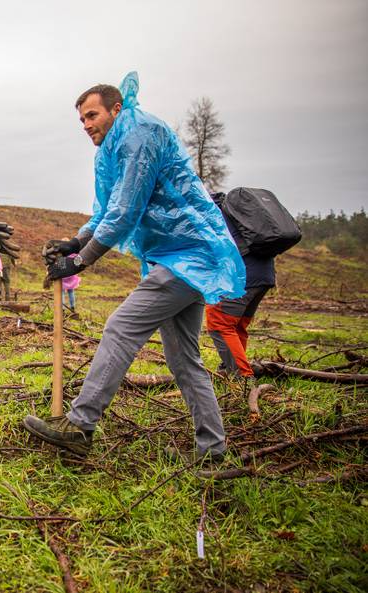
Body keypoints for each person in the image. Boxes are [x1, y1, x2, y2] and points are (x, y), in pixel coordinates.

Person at [22, 72, 245, 464]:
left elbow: (125, 212)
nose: (87, 125)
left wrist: (80, 260)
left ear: (116, 108)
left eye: (92, 115)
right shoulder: (115, 147)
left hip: (191, 254)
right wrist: (76, 240)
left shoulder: (140, 135)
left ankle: (80, 425)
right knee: (183, 359)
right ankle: (214, 453)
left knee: (121, 326)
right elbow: (108, 208)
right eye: (82, 120)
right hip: (175, 257)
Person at [206, 192, 276, 381]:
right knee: (236, 326)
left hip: (242, 274)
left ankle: (242, 379)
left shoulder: (210, 213)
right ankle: (231, 368)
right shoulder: (233, 212)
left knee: (219, 323)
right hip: (264, 273)